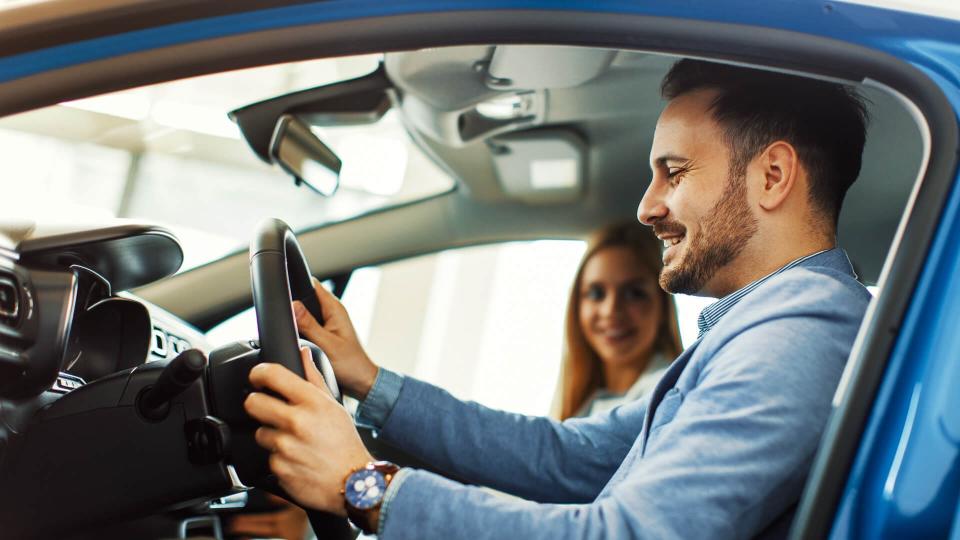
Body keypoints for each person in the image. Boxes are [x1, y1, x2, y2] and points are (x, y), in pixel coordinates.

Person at [242, 58, 873, 539]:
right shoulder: (762, 330)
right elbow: (569, 459)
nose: (648, 206)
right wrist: (370, 380)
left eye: (674, 172)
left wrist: (364, 487)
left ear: (772, 176)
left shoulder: (799, 336)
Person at [559, 220, 682, 419]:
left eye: (634, 293)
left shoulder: (671, 393)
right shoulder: (583, 402)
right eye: (596, 293)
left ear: (662, 307)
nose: (611, 310)